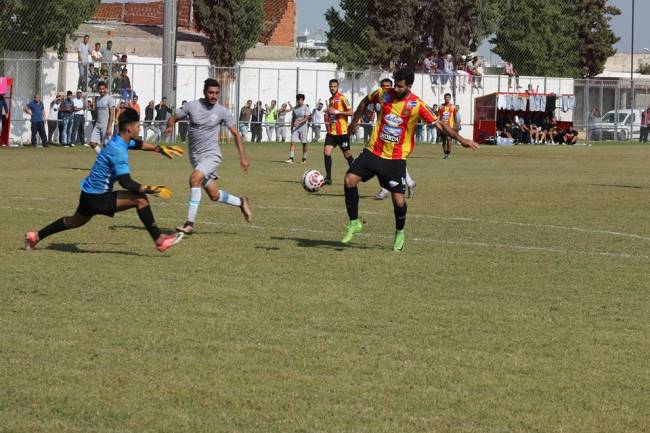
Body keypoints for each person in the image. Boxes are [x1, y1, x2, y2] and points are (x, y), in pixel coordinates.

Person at [344, 68, 479, 251]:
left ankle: (399, 232)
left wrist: (462, 140)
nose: (396, 89)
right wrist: (354, 123)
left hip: (395, 159)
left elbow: (440, 124)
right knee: (349, 180)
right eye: (395, 85)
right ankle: (354, 222)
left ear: (409, 85)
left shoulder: (416, 104)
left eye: (400, 86)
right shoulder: (384, 94)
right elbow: (365, 101)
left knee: (399, 201)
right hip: (374, 151)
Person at [24, 108, 185, 253]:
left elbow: (136, 144)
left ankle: (35, 236)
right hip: (98, 198)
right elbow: (126, 182)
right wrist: (152, 189)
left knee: (73, 221)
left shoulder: (118, 140)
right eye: (137, 125)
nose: (139, 128)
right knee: (140, 199)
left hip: (88, 195)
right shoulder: (118, 150)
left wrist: (158, 149)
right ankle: (159, 240)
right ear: (129, 128)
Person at [165, 78, 252, 235]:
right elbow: (173, 117)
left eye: (216, 93)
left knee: (194, 179)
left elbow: (236, 134)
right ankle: (241, 201)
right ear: (204, 92)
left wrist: (243, 157)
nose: (214, 96)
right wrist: (170, 126)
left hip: (212, 155)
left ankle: (189, 224)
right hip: (195, 157)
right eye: (211, 92)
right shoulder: (192, 106)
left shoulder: (222, 112)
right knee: (214, 195)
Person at [372, 78, 417, 201]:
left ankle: (385, 189)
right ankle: (410, 182)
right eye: (383, 86)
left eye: (388, 85)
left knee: (387, 162)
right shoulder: (381, 98)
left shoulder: (401, 101)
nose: (386, 88)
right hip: (383, 134)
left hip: (395, 136)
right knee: (394, 163)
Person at [323, 79, 354, 184]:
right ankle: (328, 178)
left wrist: (337, 112)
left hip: (342, 133)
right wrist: (328, 113)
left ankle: (356, 174)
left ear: (338, 87)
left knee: (347, 154)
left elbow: (351, 112)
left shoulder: (342, 98)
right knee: (326, 152)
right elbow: (332, 115)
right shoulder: (330, 99)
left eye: (334, 86)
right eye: (331, 86)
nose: (332, 88)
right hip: (332, 132)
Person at [89, 81, 115, 155]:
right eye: (100, 89)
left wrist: (109, 127)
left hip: (106, 125)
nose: (101, 90)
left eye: (103, 89)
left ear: (106, 89)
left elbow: (112, 114)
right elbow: (95, 111)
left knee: (106, 145)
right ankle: (102, 156)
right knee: (92, 143)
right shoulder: (98, 99)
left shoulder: (109, 99)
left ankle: (110, 163)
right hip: (98, 124)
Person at [285, 94, 310, 163]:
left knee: (304, 143)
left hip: (303, 127)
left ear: (303, 100)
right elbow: (293, 118)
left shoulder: (306, 108)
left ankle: (304, 158)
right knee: (292, 142)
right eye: (298, 100)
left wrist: (299, 122)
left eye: (301, 100)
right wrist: (292, 127)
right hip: (295, 127)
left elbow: (306, 118)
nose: (299, 101)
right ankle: (291, 158)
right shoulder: (295, 108)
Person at [438, 93, 457, 159]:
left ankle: (448, 153)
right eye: (446, 97)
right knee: (444, 140)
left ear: (450, 98)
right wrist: (438, 125)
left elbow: (455, 116)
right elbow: (439, 116)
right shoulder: (441, 106)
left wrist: (455, 124)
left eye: (448, 97)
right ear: (444, 98)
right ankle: (445, 153)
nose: (447, 99)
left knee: (449, 139)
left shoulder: (453, 107)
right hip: (443, 126)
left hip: (450, 126)